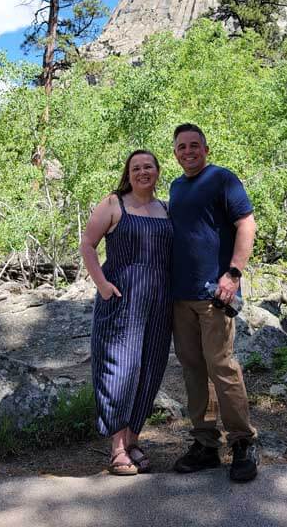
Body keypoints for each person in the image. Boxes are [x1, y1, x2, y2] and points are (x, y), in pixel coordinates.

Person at [169, 123, 258, 482]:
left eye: (194, 145)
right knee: (193, 369)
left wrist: (233, 274)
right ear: (175, 153)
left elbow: (247, 224)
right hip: (180, 297)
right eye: (181, 147)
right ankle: (205, 444)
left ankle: (242, 443)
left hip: (215, 294)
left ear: (205, 149)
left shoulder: (223, 179)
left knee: (222, 366)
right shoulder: (176, 187)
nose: (188, 151)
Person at [80, 150, 173, 475]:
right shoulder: (113, 204)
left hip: (160, 302)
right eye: (136, 168)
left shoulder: (166, 209)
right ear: (128, 173)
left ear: (158, 171)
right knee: (118, 369)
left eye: (148, 166)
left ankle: (133, 440)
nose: (143, 172)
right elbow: (88, 245)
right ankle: (117, 447)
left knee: (150, 368)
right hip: (121, 300)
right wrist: (103, 285)